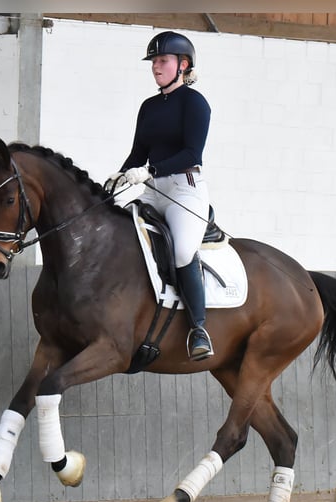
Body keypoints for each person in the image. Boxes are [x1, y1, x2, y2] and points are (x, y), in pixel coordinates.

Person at [108, 30, 214, 361]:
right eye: (153, 61)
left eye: (163, 60)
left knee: (182, 250)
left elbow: (191, 153)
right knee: (118, 231)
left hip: (184, 187)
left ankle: (199, 328)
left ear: (183, 65)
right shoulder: (149, 106)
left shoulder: (195, 103)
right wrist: (120, 175)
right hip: (153, 189)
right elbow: (138, 152)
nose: (156, 66)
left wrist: (151, 171)